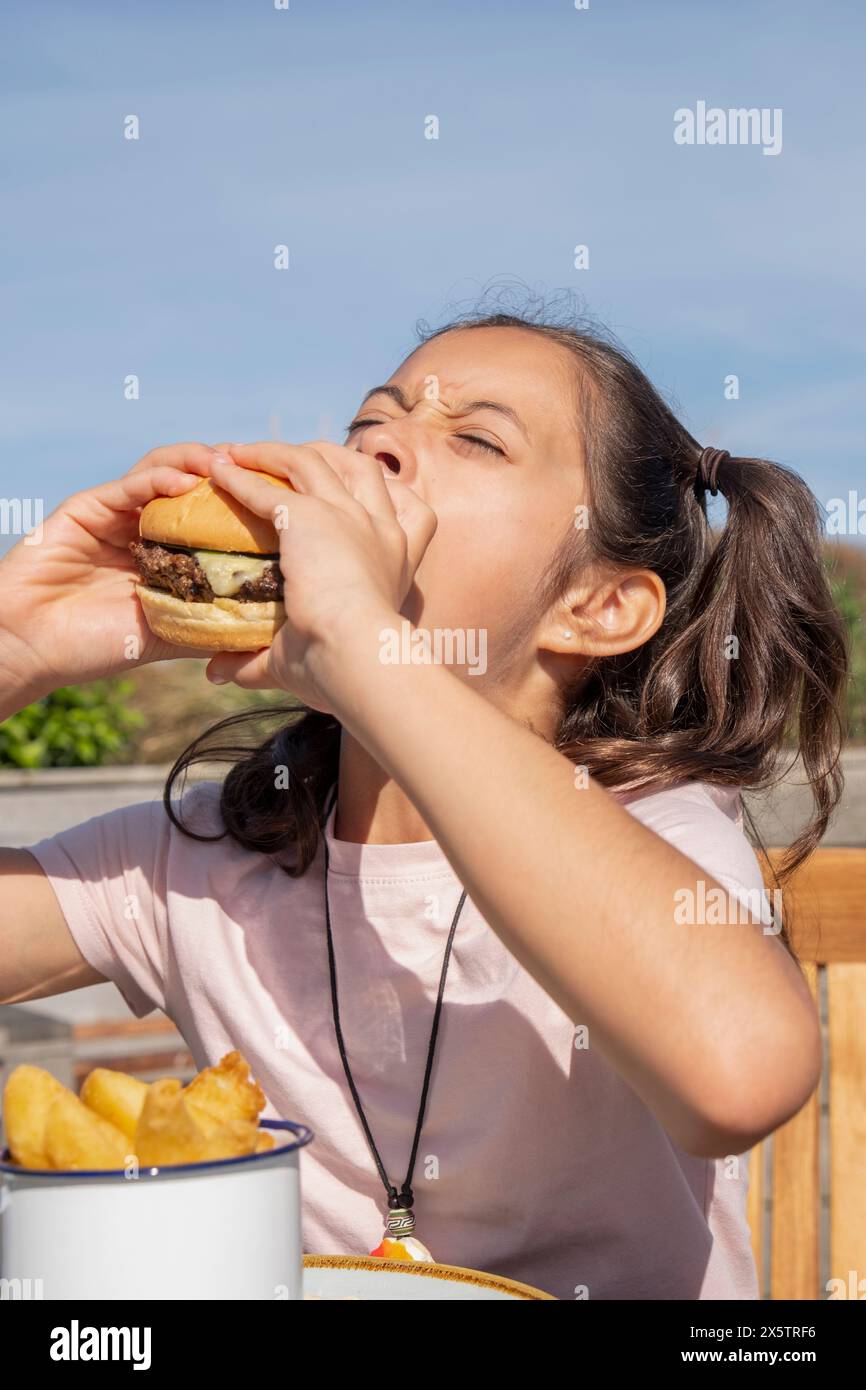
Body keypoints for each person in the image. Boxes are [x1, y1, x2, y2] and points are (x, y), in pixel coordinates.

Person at [0, 301, 848, 1300]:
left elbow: (739, 1073)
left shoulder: (647, 829)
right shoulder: (200, 861)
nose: (382, 452)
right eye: (371, 425)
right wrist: (13, 649)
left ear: (598, 606)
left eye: (476, 438)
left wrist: (362, 642)